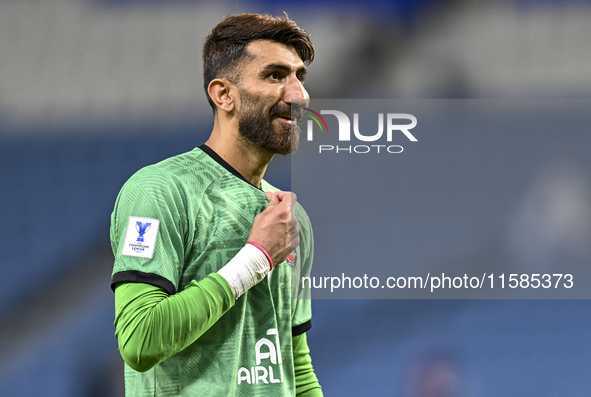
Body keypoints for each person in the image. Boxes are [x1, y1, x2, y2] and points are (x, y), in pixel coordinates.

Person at [109, 13, 323, 397]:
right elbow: (140, 341)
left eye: (299, 77)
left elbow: (295, 368)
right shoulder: (160, 191)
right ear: (224, 94)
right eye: (275, 75)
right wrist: (255, 259)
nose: (298, 96)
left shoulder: (291, 220)